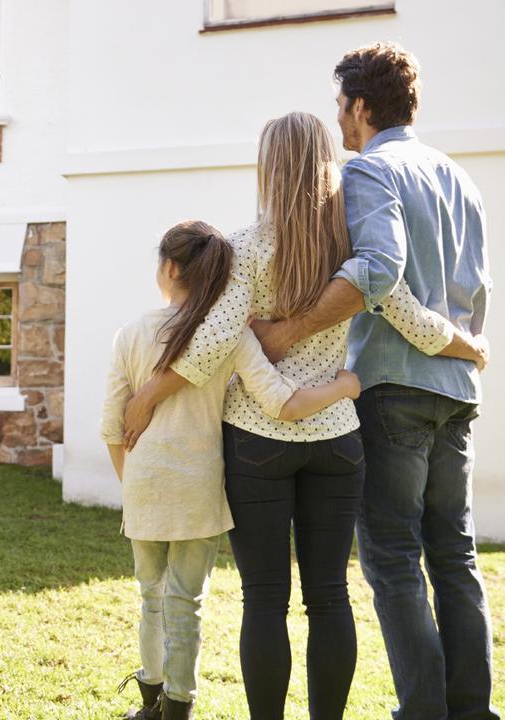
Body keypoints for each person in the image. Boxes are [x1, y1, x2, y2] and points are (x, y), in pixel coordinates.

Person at [117, 111, 482, 719]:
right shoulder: (352, 252)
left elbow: (211, 344)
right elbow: (414, 320)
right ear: (325, 167)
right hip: (338, 441)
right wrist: (471, 347)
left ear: (269, 169)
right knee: (331, 598)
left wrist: (148, 394)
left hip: (258, 443)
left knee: (265, 600)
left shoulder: (246, 247)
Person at [252, 43, 496, 720]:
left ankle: (422, 712)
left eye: (340, 105)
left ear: (361, 106)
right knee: (454, 554)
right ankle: (472, 711)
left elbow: (380, 275)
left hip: (392, 387)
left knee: (392, 556)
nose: (337, 118)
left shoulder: (367, 172)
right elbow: (476, 294)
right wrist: (468, 349)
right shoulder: (460, 179)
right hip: (457, 389)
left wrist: (290, 330)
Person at [100, 220, 363, 720]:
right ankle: (179, 704)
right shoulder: (231, 338)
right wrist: (344, 388)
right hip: (201, 490)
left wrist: (132, 484)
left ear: (170, 268)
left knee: (151, 596)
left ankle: (150, 697)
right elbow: (282, 402)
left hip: (145, 487)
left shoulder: (130, 334)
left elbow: (113, 426)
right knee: (186, 600)